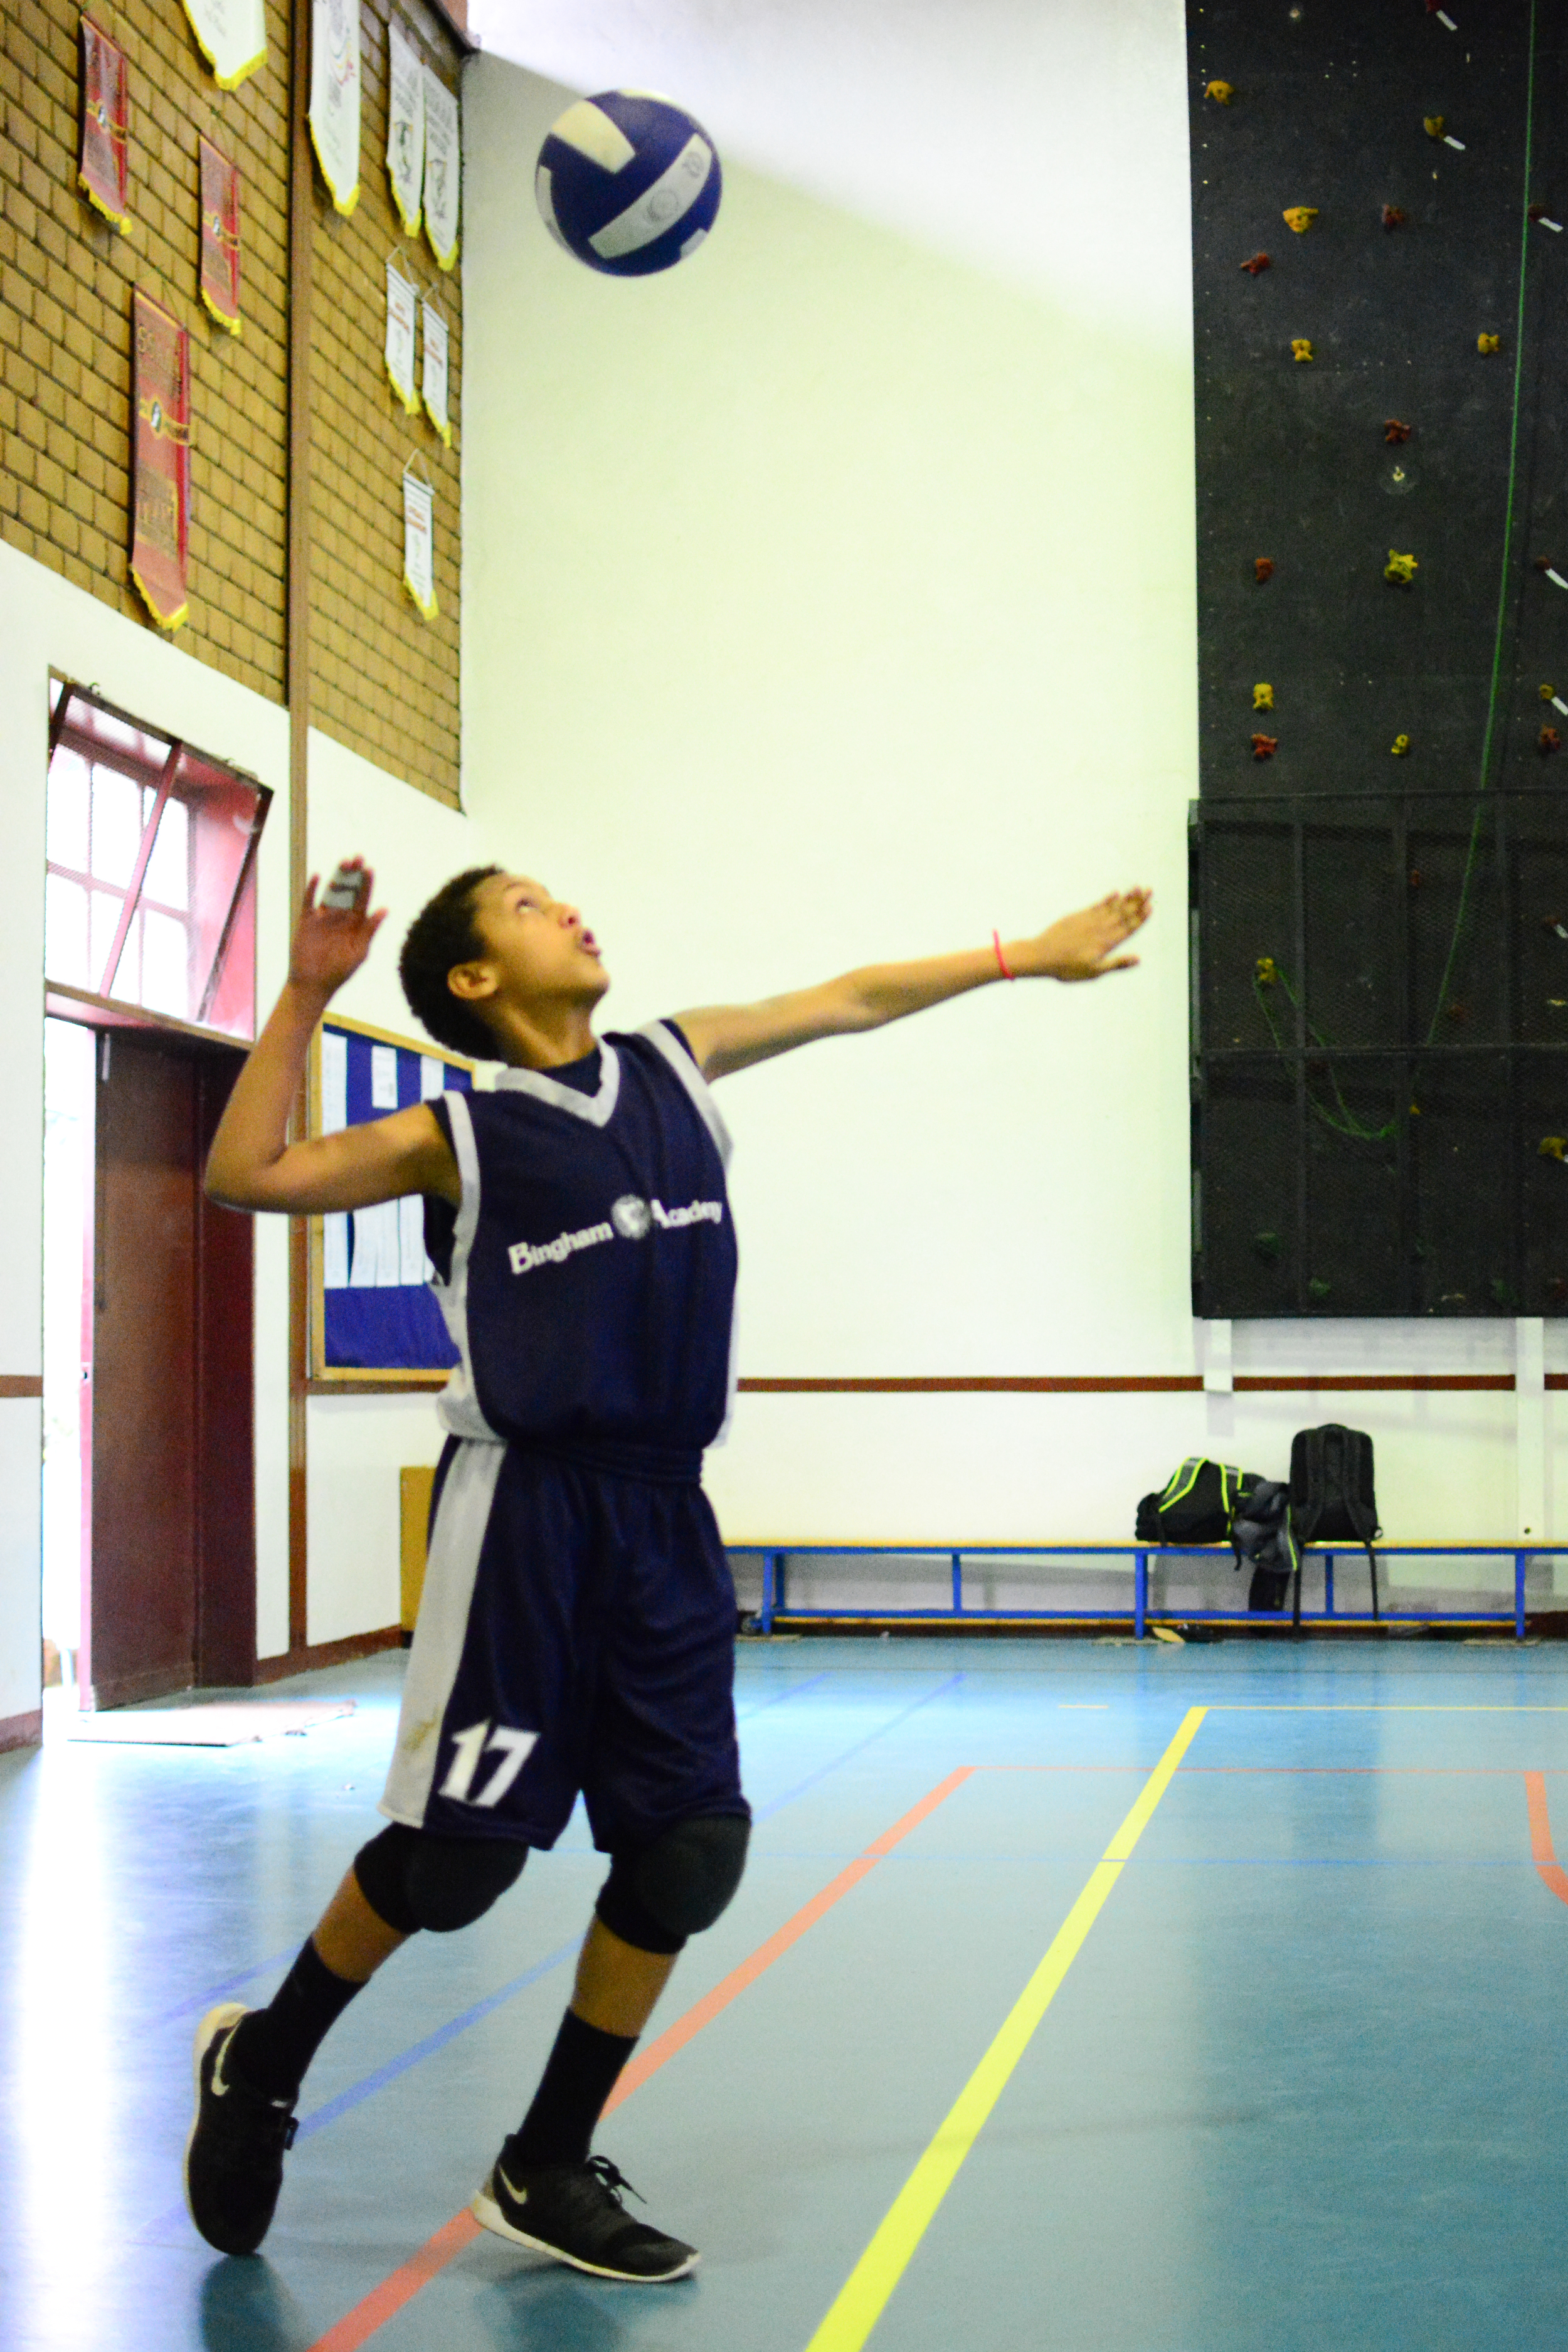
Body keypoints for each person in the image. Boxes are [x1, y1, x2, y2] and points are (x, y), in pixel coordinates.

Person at [185, 857, 1152, 2279]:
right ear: (474, 981)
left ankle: (545, 2159)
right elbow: (241, 1174)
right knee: (455, 1865)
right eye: (526, 909)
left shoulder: (672, 1065)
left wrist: (1021, 956)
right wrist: (308, 990)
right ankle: (263, 2064)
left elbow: (846, 1000)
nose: (567, 909)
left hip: (662, 1517)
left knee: (690, 1850)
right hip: (525, 1519)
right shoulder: (455, 1132)